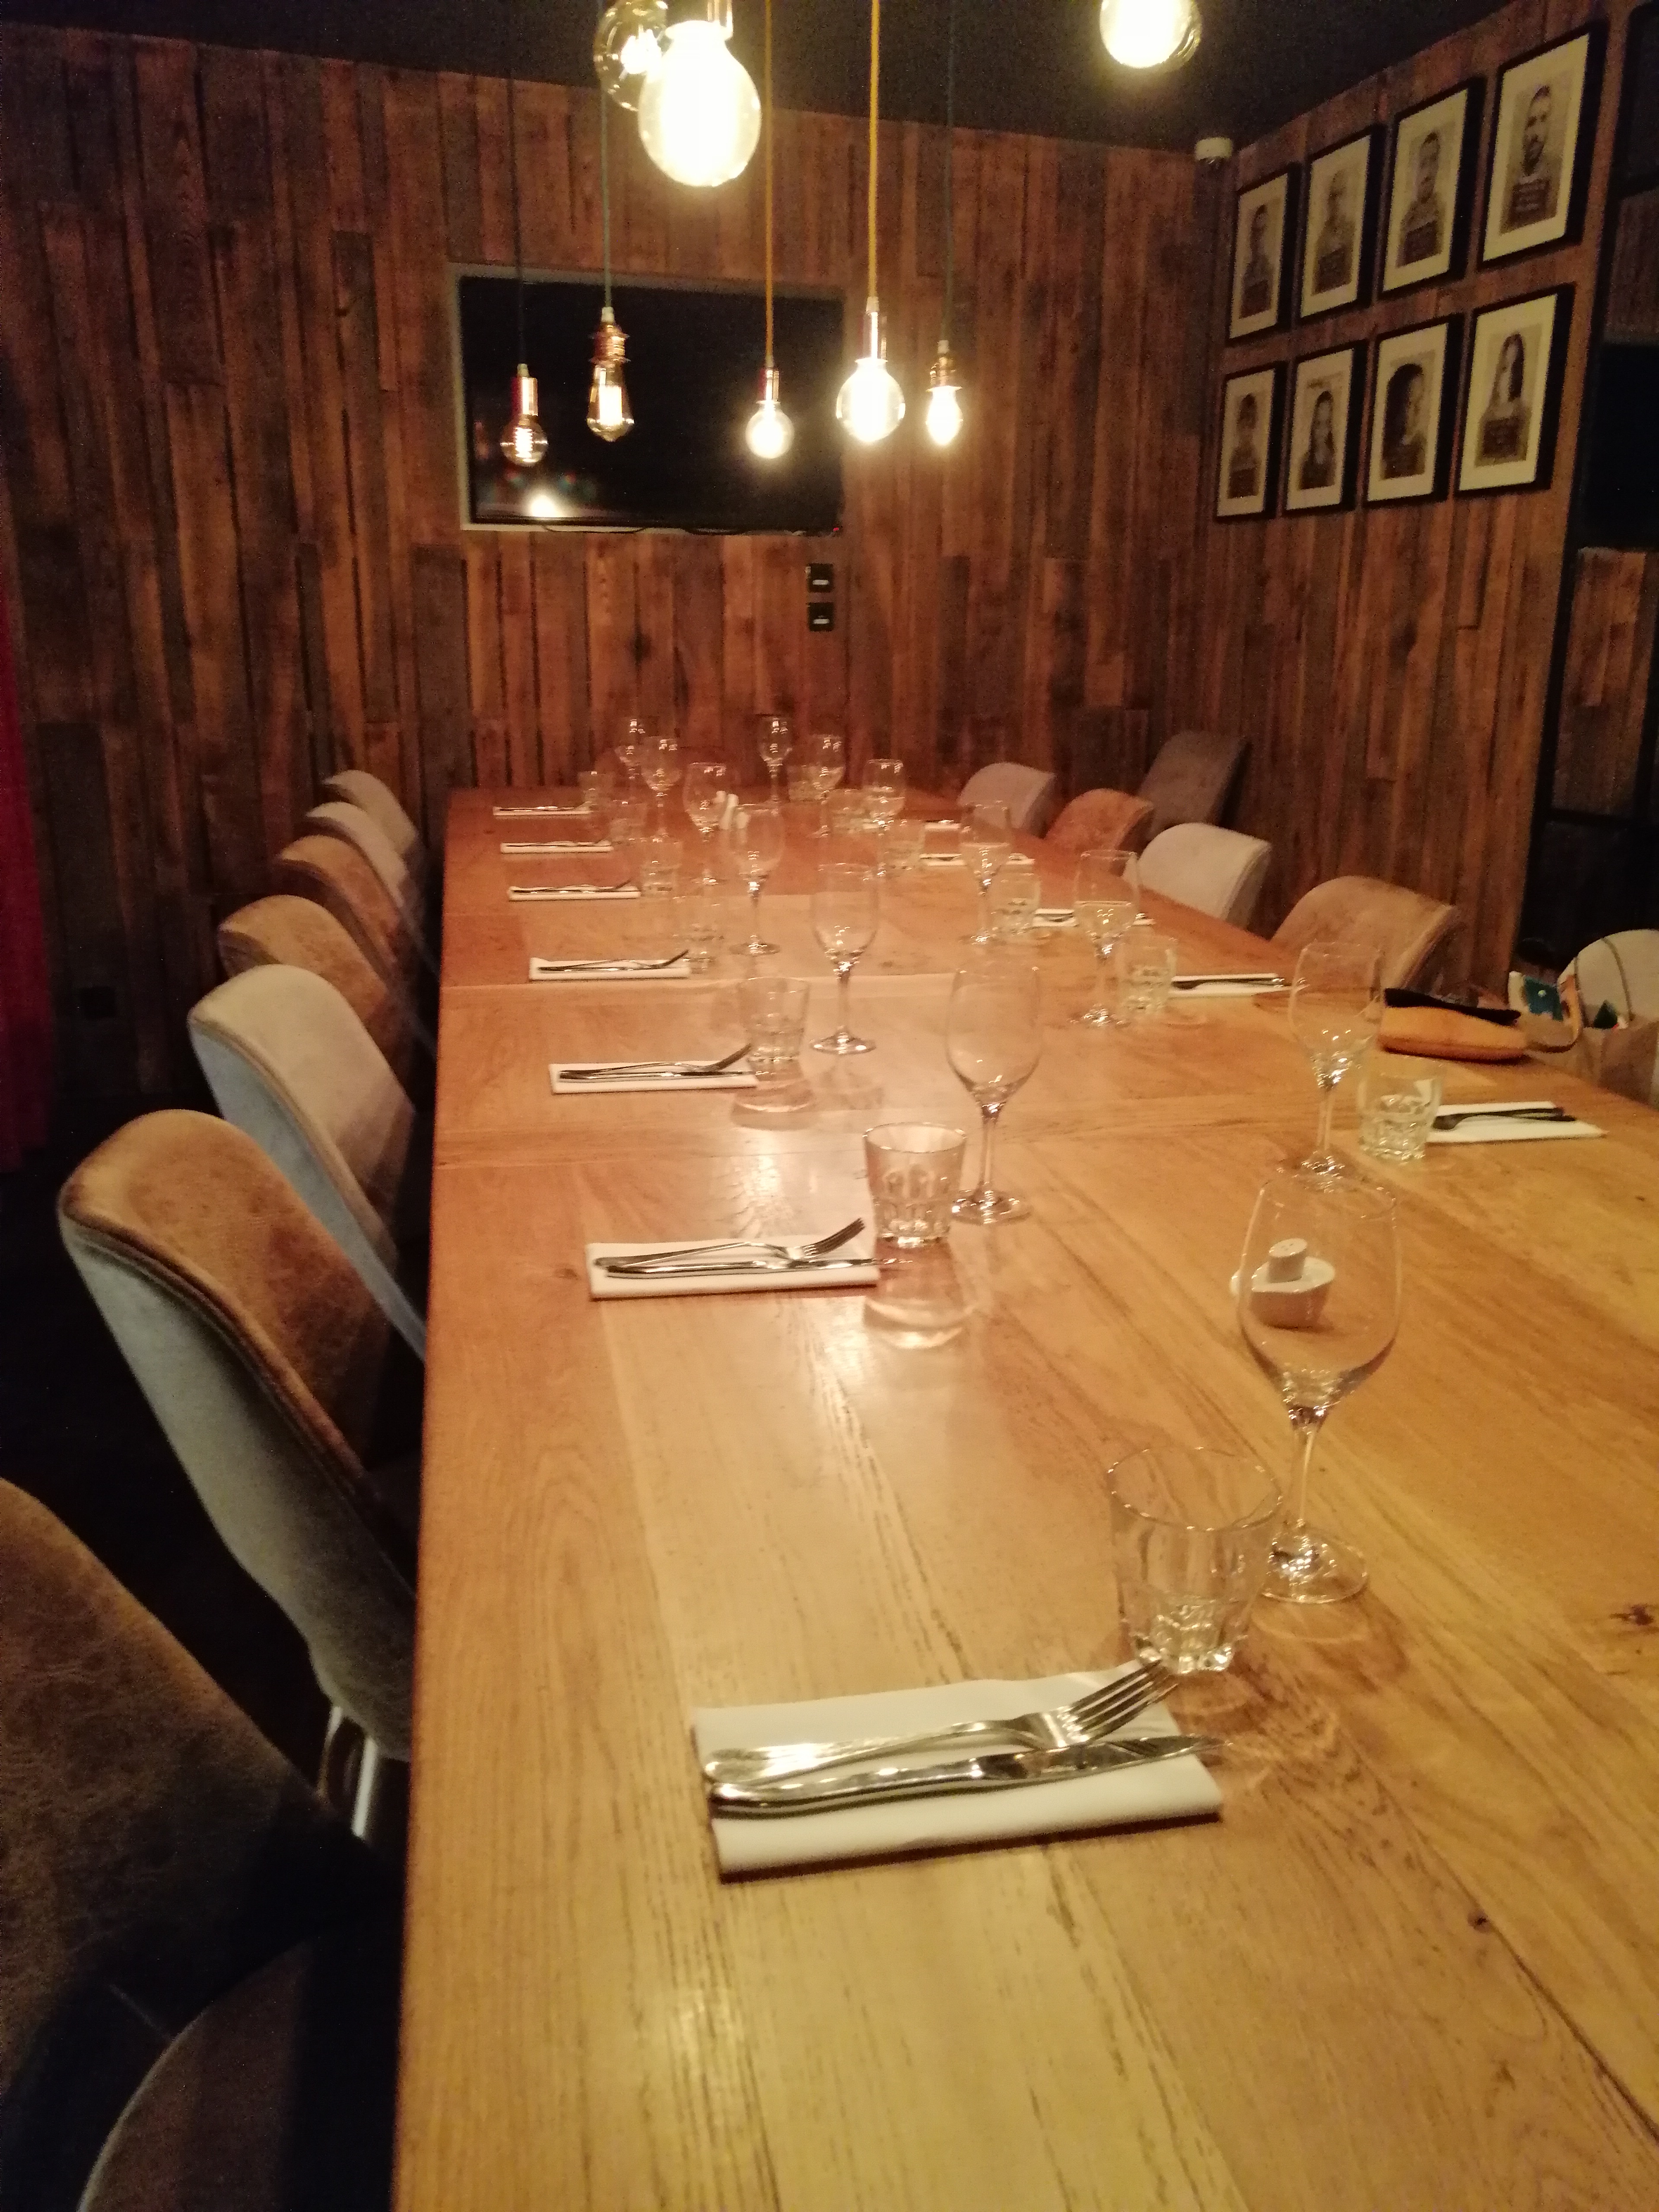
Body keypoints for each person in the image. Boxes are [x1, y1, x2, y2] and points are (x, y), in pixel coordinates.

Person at [1504, 83, 1560, 229]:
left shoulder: (1557, 175)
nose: (1536, 134)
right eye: (1531, 123)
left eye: (1543, 120)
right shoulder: (1509, 179)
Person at [1477, 334, 1530, 463]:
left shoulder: (1521, 413)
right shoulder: (1489, 416)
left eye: (1514, 354)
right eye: (1508, 353)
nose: (1506, 380)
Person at [1397, 130, 1445, 266]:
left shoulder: (1442, 212)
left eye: (1433, 161)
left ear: (1438, 166)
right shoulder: (1407, 221)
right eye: (1424, 164)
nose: (1428, 172)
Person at [1379, 361, 1427, 480]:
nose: (1418, 410)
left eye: (1420, 400)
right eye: (1410, 403)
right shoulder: (1383, 447)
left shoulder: (1420, 447)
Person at [1311, 170, 1356, 296]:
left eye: (1340, 195)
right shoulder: (1323, 238)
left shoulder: (1352, 231)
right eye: (1333, 196)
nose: (1336, 202)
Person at [1238, 204, 1274, 321]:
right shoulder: (1247, 275)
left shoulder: (1270, 271)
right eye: (1255, 233)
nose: (1258, 239)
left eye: (1262, 232)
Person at [1299, 388, 1337, 490]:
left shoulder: (1333, 462)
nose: (1321, 431)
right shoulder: (1305, 462)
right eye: (1318, 424)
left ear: (1330, 428)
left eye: (1326, 424)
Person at [1227, 392, 1262, 500]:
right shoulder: (1233, 458)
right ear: (1239, 427)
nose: (1246, 432)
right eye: (1243, 426)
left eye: (1250, 426)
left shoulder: (1255, 460)